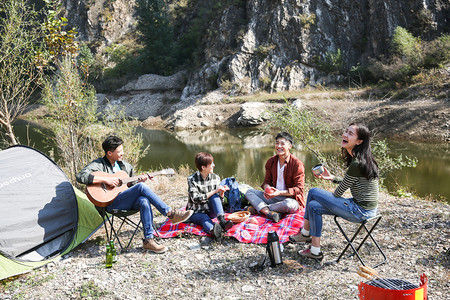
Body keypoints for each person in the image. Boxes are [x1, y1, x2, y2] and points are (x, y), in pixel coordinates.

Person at [76, 135, 193, 254]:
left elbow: (130, 188)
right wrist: (105, 180)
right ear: (109, 153)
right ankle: (170, 213)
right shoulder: (99, 164)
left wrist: (139, 181)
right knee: (141, 188)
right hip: (110, 204)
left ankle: (149, 241)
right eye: (119, 151)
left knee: (143, 200)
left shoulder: (126, 166)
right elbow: (80, 176)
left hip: (125, 202)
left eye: (122, 149)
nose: (123, 153)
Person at [290, 123, 379, 260]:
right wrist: (332, 178)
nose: (345, 135)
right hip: (364, 209)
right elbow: (351, 181)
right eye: (346, 131)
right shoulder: (362, 159)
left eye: (350, 134)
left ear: (359, 141)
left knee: (313, 191)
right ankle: (315, 251)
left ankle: (305, 233)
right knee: (313, 206)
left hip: (360, 211)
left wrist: (333, 188)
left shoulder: (357, 164)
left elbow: (338, 193)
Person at [244, 132, 305, 222]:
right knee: (249, 192)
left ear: (290, 146)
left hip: (289, 198)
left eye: (282, 143)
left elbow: (299, 189)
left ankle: (261, 208)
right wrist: (267, 189)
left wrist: (279, 193)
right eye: (277, 143)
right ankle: (269, 212)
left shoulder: (297, 164)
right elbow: (266, 182)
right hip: (273, 197)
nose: (279, 146)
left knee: (290, 205)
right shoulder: (271, 161)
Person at [186, 152, 233, 241]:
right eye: (211, 164)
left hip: (211, 211)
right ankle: (215, 232)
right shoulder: (192, 179)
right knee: (204, 218)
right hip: (195, 212)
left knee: (215, 196)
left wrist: (221, 192)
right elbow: (195, 199)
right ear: (203, 167)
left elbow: (219, 201)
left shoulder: (216, 177)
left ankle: (222, 220)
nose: (214, 165)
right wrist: (215, 191)